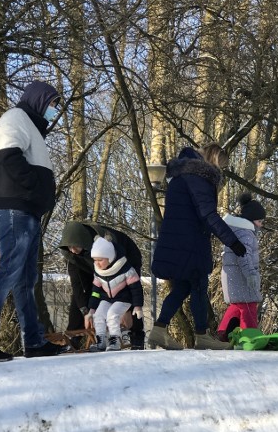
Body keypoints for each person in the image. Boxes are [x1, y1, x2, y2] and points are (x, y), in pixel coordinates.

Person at [0, 80, 68, 362]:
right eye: (52, 104)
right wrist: (36, 188)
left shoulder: (30, 125)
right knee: (10, 272)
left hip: (26, 211)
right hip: (15, 210)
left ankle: (33, 342)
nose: (53, 110)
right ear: (38, 99)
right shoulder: (15, 118)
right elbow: (9, 160)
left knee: (25, 280)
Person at [148, 143, 247, 350]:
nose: (221, 172)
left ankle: (159, 328)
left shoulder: (181, 175)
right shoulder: (199, 177)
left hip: (177, 240)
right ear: (214, 161)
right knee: (199, 286)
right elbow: (208, 215)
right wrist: (233, 241)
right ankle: (202, 336)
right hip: (189, 241)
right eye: (222, 167)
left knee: (183, 287)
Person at [58, 220, 146, 350]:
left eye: (75, 246)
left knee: (126, 292)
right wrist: (86, 311)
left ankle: (136, 335)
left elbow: (133, 288)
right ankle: (73, 337)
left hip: (124, 260)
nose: (72, 250)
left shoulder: (108, 244)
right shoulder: (73, 257)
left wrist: (127, 310)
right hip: (96, 270)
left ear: (82, 241)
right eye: (69, 247)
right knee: (85, 294)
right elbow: (78, 287)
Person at [216, 192, 265, 342]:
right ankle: (251, 336)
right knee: (249, 305)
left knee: (238, 305)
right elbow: (244, 255)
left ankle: (223, 332)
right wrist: (250, 274)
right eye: (260, 221)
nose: (261, 225)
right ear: (251, 220)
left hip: (233, 275)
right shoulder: (245, 233)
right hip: (241, 275)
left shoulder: (238, 231)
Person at [84, 236, 144, 352]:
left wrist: (137, 306)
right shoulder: (98, 273)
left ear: (110, 258)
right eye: (95, 260)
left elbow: (136, 288)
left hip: (123, 299)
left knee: (112, 314)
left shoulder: (126, 269)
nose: (97, 263)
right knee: (99, 315)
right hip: (107, 299)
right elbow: (96, 292)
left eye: (100, 260)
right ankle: (100, 340)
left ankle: (115, 340)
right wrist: (91, 309)